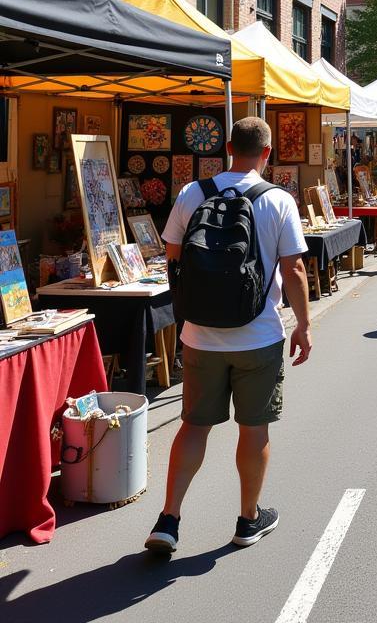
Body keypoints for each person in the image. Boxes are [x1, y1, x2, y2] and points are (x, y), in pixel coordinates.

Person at [145, 117, 309, 554]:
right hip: (258, 335)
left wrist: (188, 313)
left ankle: (169, 519)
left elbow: (173, 259)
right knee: (253, 429)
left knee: (193, 427)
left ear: (229, 147)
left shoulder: (192, 193)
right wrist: (305, 327)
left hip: (200, 337)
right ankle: (248, 518)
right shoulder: (278, 200)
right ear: (268, 153)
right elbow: (293, 269)